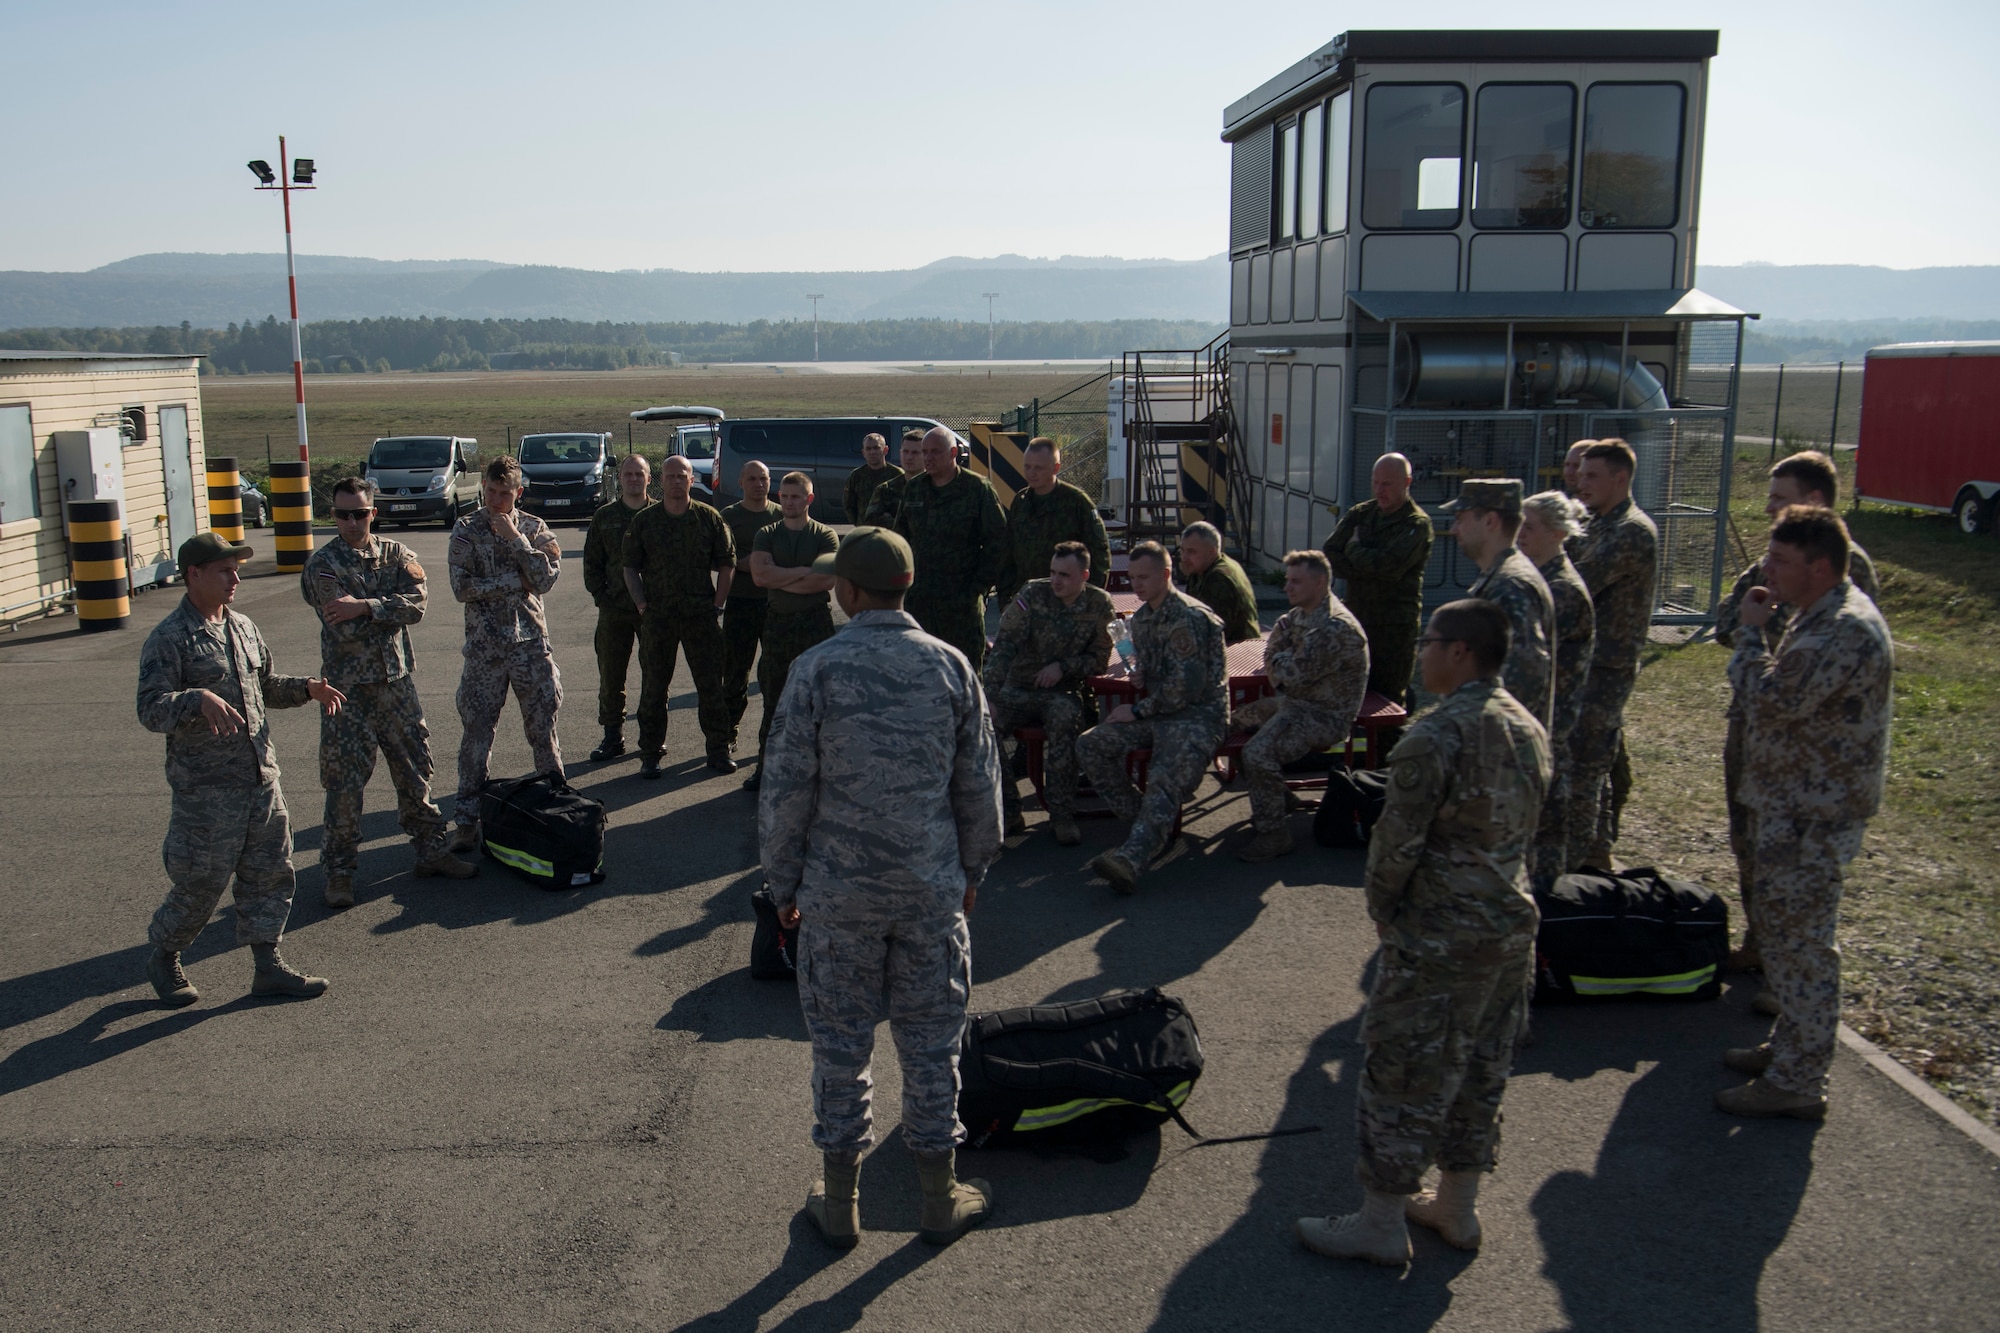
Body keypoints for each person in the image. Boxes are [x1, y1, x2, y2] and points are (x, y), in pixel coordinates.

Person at [759, 526, 1003, 1250]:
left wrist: (783, 885)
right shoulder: (953, 666)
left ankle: (839, 1202)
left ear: (851, 591)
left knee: (840, 1046)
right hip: (930, 892)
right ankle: (938, 1195)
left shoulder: (817, 669)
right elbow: (981, 791)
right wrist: (972, 873)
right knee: (932, 1046)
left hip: (839, 897)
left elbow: (784, 794)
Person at [1296, 599, 1550, 1266]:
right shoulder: (1528, 727)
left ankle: (1381, 1221)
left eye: (1431, 641)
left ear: (1460, 652)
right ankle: (1458, 1206)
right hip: (1510, 932)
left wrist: (1384, 910)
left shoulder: (1437, 734)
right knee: (1479, 1066)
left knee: (1403, 1071)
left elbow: (1395, 843)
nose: (1421, 653)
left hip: (1440, 938)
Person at [1717, 506, 1891, 1121]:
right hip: (1795, 804)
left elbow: (1767, 700)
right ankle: (1791, 1049)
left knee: (1803, 947)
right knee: (1790, 942)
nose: (1768, 569)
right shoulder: (1818, 614)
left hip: (1814, 813)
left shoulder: (1841, 628)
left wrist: (1749, 632)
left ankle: (1799, 1079)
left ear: (1819, 567)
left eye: (1781, 560)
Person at [138, 532, 345, 1007]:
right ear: (193, 575)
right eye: (224, 571)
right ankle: (165, 955)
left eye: (236, 570)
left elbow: (266, 685)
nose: (235, 579)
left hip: (260, 778)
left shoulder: (244, 627)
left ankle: (268, 966)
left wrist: (306, 688)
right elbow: (150, 709)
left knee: (270, 873)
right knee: (202, 881)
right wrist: (196, 698)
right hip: (207, 789)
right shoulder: (170, 638)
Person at [1714, 450, 1880, 974]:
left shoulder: (1842, 578)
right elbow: (1728, 618)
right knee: (1754, 845)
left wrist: (1758, 635)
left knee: (1805, 903)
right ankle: (1764, 942)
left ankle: (1784, 974)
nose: (1768, 508)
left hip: (1813, 763)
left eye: (1779, 499)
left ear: (1812, 501)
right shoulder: (1780, 562)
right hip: (1765, 740)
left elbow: (1797, 683)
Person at [301, 477, 474, 909]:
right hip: (346, 692)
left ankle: (431, 852)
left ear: (373, 513)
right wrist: (383, 606)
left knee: (415, 771)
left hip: (396, 685)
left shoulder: (398, 554)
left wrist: (365, 605)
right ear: (333, 516)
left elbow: (416, 605)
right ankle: (339, 872)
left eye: (359, 513)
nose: (351, 521)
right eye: (342, 514)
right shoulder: (322, 565)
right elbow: (335, 616)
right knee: (344, 786)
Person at [1077, 541, 1228, 895]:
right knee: (1091, 744)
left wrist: (1138, 709)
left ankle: (1131, 859)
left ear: (1166, 574)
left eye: (1144, 577)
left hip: (1197, 718)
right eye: (1131, 578)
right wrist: (1142, 676)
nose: (1136, 585)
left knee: (1163, 775)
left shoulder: (1190, 617)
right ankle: (1143, 822)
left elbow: (1185, 689)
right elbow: (1159, 676)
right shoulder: (1143, 619)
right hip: (1162, 713)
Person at [447, 455, 564, 849]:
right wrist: (515, 580)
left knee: (542, 730)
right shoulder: (466, 528)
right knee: (476, 735)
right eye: (491, 492)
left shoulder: (534, 527)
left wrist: (517, 539)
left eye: (504, 494)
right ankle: (466, 820)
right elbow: (462, 587)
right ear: (483, 487)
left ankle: (559, 806)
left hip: (530, 646)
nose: (496, 501)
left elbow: (546, 579)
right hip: (485, 650)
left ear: (519, 492)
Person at [1231, 550, 1369, 864]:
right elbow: (1278, 637)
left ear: (1320, 582)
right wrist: (1281, 658)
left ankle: (1274, 834)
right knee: (1232, 725)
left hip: (1324, 715)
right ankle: (1279, 798)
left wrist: (1279, 659)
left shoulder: (1334, 627)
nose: (1287, 588)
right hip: (1297, 703)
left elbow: (1291, 676)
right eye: (1287, 581)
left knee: (1257, 752)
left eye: (1296, 581)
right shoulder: (1304, 613)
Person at [982, 540, 1115, 845]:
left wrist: (1063, 667)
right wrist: (990, 692)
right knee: (983, 723)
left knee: (1066, 718)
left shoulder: (1099, 604)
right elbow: (1004, 647)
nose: (1056, 580)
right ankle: (1009, 810)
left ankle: (1061, 814)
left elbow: (1099, 659)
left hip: (1062, 692)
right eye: (1053, 572)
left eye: (1065, 575)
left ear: (1084, 575)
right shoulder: (1032, 595)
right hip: (1018, 688)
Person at [1566, 439, 1658, 872]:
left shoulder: (1630, 531)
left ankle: (1584, 863)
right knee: (1592, 760)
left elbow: (1577, 583)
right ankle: (1597, 850)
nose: (1580, 482)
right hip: (1587, 661)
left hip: (1607, 666)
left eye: (1591, 475)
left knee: (1588, 765)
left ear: (1620, 480)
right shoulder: (1599, 523)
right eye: (1580, 474)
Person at [622, 454, 736, 778]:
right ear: (662, 479)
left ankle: (718, 749)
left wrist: (717, 603)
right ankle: (650, 753)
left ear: (690, 479)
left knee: (711, 685)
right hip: (658, 617)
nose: (675, 481)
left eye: (681, 475)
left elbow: (728, 563)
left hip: (701, 615)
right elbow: (629, 566)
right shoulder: (645, 521)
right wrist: (642, 605)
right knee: (654, 687)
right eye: (669, 476)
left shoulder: (708, 518)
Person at [1516, 490, 1595, 885]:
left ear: (1558, 533)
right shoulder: (1538, 580)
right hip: (1538, 720)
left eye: (1530, 527)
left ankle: (1549, 918)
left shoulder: (1561, 589)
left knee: (1545, 835)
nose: (1520, 534)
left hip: (1552, 723)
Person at [743, 471, 840, 791]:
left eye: (795, 496)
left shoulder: (825, 536)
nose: (788, 502)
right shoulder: (767, 534)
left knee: (819, 702)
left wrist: (780, 574)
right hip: (778, 626)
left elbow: (825, 581)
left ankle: (821, 772)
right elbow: (759, 577)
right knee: (774, 700)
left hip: (815, 626)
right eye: (784, 496)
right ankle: (765, 768)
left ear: (809, 499)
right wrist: (803, 573)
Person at [893, 425, 1007, 670]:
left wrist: (978, 587)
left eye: (935, 451)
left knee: (964, 671)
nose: (928, 457)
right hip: (919, 601)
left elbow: (997, 542)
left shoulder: (977, 488)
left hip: (961, 603)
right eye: (924, 452)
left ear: (953, 452)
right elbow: (899, 539)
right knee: (920, 670)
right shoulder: (914, 488)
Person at [1323, 453, 1433, 705]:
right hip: (1357, 620)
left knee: (1388, 701)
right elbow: (1330, 555)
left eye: (1387, 484)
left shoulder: (1415, 524)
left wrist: (1353, 550)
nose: (1379, 490)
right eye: (1376, 483)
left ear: (1406, 483)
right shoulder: (1361, 514)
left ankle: (1388, 745)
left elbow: (1389, 567)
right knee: (1349, 694)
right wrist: (1367, 563)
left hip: (1393, 630)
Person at [1446, 479, 1555, 732]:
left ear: (1490, 522)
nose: (1454, 529)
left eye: (1461, 518)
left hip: (1503, 755)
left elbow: (1521, 684)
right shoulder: (1500, 579)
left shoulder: (1510, 587)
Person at [582, 453, 652, 762]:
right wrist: (602, 596)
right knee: (611, 677)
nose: (634, 478)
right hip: (614, 611)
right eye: (629, 474)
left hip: (652, 612)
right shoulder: (605, 516)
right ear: (619, 478)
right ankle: (613, 736)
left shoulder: (660, 514)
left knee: (654, 676)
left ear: (649, 478)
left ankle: (651, 736)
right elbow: (592, 563)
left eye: (640, 473)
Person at [994, 438, 1110, 604]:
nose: (1031, 473)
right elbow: (1007, 554)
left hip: (1066, 602)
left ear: (1056, 467)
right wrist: (1006, 599)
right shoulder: (1021, 501)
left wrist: (1088, 601)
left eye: (1038, 468)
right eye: (1027, 466)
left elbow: (1099, 555)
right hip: (1027, 601)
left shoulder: (1076, 502)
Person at [720, 461, 783, 755]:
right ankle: (728, 731)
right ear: (741, 482)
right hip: (741, 604)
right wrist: (746, 563)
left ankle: (773, 736)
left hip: (775, 605)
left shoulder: (782, 516)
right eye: (753, 479)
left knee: (775, 675)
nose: (759, 484)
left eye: (764, 479)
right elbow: (719, 557)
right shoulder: (729, 517)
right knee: (735, 673)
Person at [1177, 521, 1261, 644]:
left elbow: (1208, 630)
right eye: (1182, 551)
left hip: (1239, 650)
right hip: (1228, 646)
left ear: (1211, 551)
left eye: (1191, 552)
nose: (1184, 558)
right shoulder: (1200, 569)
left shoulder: (1218, 578)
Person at [862, 429, 928, 526]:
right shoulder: (886, 490)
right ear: (900, 453)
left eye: (915, 452)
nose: (909, 457)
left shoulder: (938, 487)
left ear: (926, 455)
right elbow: (872, 521)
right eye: (905, 451)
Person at [843, 431, 902, 525]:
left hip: (891, 533)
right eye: (868, 449)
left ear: (885, 450)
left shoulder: (897, 474)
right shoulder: (856, 476)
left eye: (876, 448)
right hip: (866, 532)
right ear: (863, 452)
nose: (872, 452)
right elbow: (849, 506)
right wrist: (859, 525)